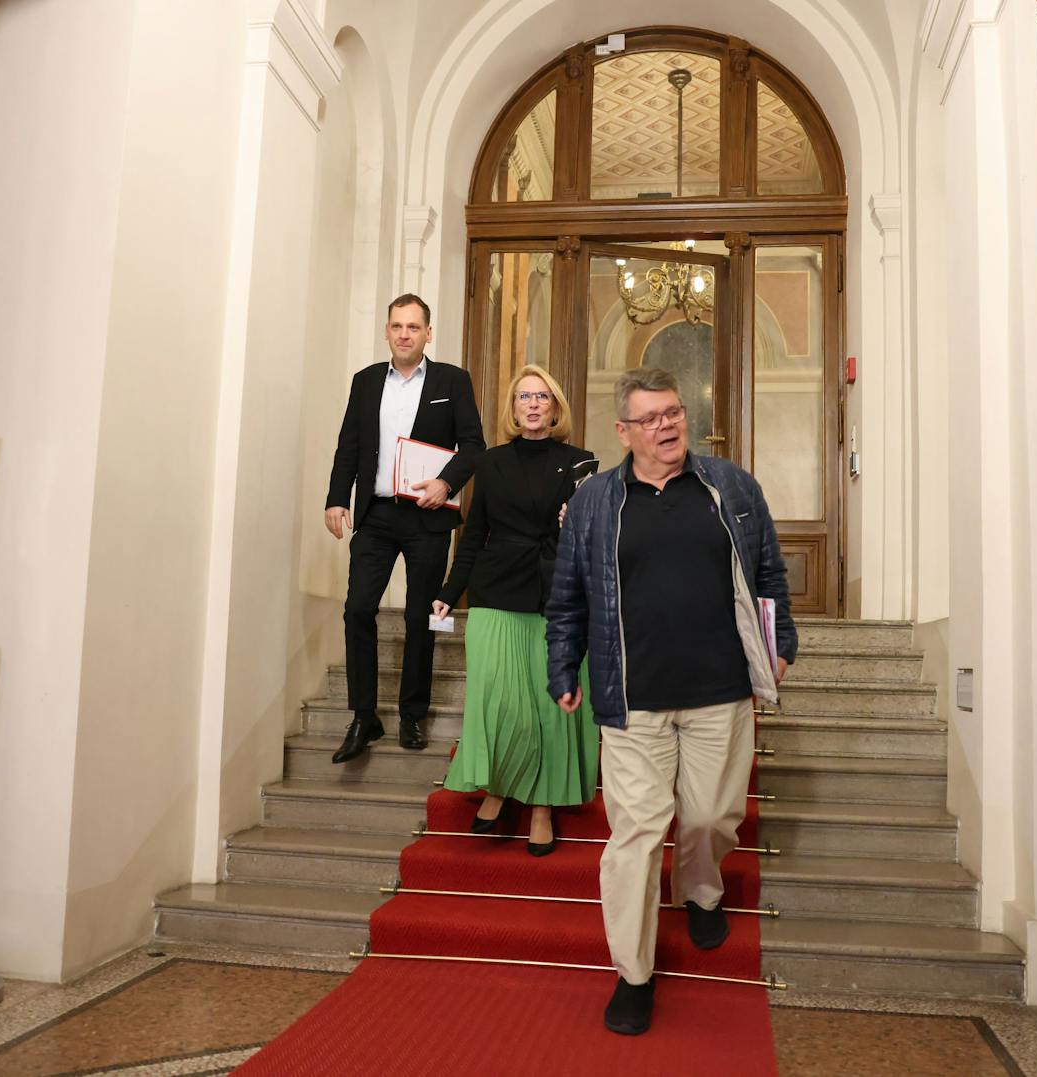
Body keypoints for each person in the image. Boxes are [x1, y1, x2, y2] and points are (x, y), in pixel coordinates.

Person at [545, 366, 796, 1036]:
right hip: (633, 699)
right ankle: (634, 972)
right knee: (634, 832)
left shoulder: (730, 485)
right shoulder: (596, 501)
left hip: (720, 689)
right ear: (623, 431)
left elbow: (768, 570)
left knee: (713, 814)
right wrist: (561, 665)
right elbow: (567, 594)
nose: (667, 426)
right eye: (650, 418)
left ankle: (703, 889)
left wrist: (781, 640)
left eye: (674, 413)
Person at [430, 365, 598, 856]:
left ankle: (543, 806)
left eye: (542, 396)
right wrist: (450, 589)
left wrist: (578, 523)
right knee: (500, 703)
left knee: (549, 708)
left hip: (556, 593)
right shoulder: (489, 462)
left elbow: (593, 540)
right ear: (513, 406)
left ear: (555, 407)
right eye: (524, 396)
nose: (532, 404)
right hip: (495, 590)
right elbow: (473, 534)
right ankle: (499, 788)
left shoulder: (581, 462)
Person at [325, 294, 485, 763]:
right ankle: (364, 716)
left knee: (424, 616)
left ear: (428, 333)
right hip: (376, 515)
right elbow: (348, 446)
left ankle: (412, 713)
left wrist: (446, 481)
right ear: (387, 330)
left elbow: (474, 446)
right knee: (357, 609)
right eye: (397, 326)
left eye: (414, 327)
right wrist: (337, 498)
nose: (404, 334)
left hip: (428, 516)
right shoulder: (366, 381)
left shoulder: (452, 381)